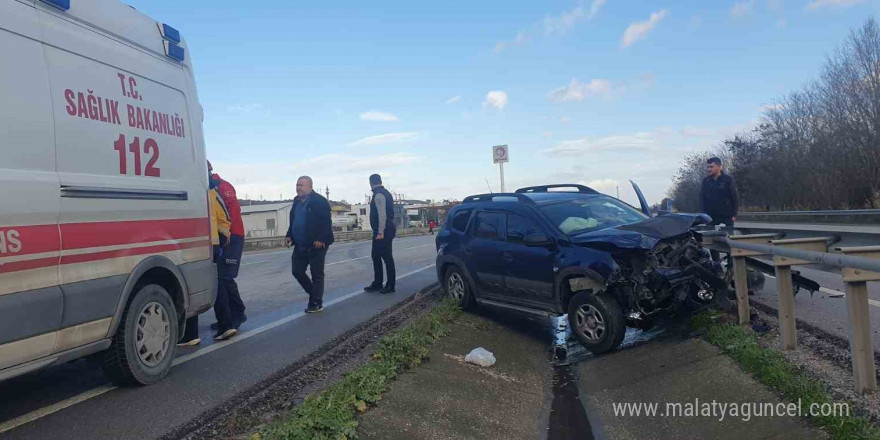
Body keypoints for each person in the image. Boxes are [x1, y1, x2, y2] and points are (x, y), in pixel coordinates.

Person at [180, 181, 235, 345]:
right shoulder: (212, 192)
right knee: (217, 284)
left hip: (194, 241)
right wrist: (223, 237)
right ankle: (226, 325)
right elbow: (224, 217)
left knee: (190, 284)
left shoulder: (190, 188)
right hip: (212, 242)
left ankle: (190, 334)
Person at [285, 176, 334, 313]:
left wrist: (321, 239)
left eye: (301, 185)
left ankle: (316, 302)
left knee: (316, 274)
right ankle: (315, 294)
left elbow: (326, 223)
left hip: (316, 244)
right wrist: (289, 235)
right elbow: (293, 220)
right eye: (297, 185)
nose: (298, 188)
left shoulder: (319, 201)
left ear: (310, 187)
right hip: (300, 243)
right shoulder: (296, 201)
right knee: (297, 271)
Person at [208, 162, 247, 330]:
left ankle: (238, 313)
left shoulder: (222, 186)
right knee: (220, 278)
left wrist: (227, 233)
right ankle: (227, 316)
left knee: (226, 277)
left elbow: (232, 211)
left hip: (233, 236)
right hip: (222, 236)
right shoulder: (209, 187)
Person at [701, 157, 739, 262]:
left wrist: (735, 212)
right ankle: (716, 264)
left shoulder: (727, 180)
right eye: (708, 167)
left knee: (729, 240)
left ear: (719, 167)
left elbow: (734, 196)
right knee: (712, 241)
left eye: (711, 167)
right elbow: (703, 198)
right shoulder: (706, 181)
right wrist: (704, 214)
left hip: (727, 214)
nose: (709, 169)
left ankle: (732, 263)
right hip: (711, 216)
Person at [364, 174, 396, 294]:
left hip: (383, 230)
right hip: (387, 228)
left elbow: (382, 215)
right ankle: (378, 283)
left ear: (370, 183)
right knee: (377, 256)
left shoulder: (378, 195)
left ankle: (389, 285)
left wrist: (380, 232)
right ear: (381, 181)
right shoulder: (385, 192)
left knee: (386, 257)